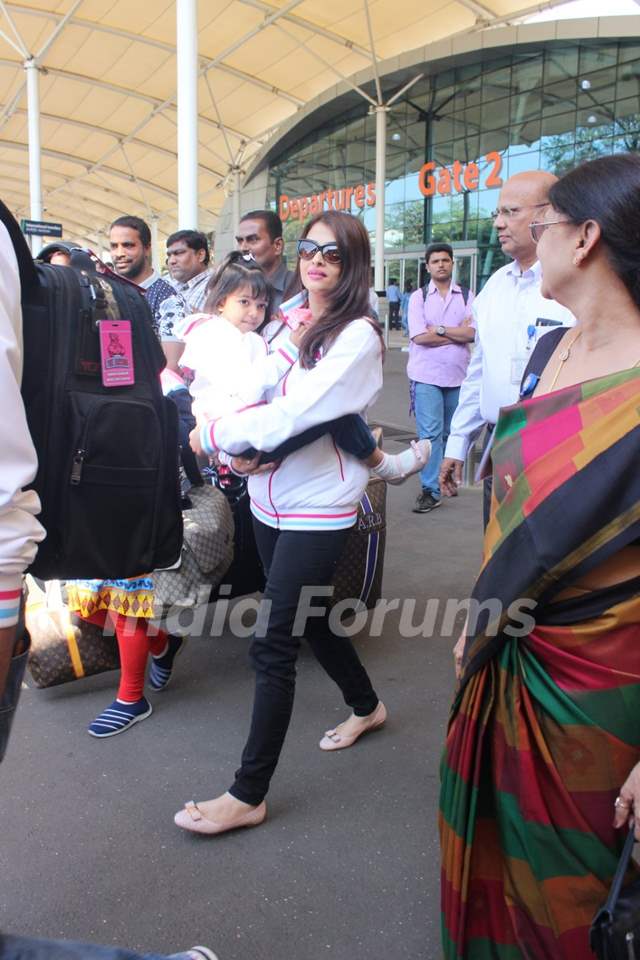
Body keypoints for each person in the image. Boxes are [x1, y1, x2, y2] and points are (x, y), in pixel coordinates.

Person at [0, 201, 217, 960]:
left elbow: (168, 380)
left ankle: (135, 692)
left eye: (131, 244)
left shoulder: (143, 304)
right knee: (124, 601)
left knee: (133, 599)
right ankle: (152, 661)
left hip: (113, 492)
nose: (120, 254)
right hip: (95, 493)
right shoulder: (117, 305)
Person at [440, 153, 640, 959]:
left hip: (600, 694)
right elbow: (517, 519)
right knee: (493, 846)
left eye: (542, 220)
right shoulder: (542, 353)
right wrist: (481, 615)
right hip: (507, 656)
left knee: (577, 889)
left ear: (586, 236)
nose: (523, 233)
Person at [175, 211, 391, 837]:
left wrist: (216, 434)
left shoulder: (358, 336)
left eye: (334, 253)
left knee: (273, 642)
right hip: (269, 495)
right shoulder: (293, 316)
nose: (317, 260)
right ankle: (368, 707)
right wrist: (239, 440)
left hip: (320, 506)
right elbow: (259, 386)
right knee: (314, 616)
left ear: (355, 265)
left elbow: (292, 413)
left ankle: (248, 793)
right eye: (309, 249)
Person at [184, 251, 429, 485]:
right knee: (331, 410)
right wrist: (288, 351)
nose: (253, 313)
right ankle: (383, 463)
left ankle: (377, 455)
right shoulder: (219, 336)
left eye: (260, 305)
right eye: (244, 302)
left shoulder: (249, 334)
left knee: (331, 409)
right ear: (220, 303)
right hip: (244, 437)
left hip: (244, 439)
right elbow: (245, 389)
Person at [438, 171, 575, 526]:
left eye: (511, 212)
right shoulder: (494, 289)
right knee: (498, 554)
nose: (499, 223)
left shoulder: (577, 284)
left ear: (548, 213)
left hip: (562, 446)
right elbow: (478, 373)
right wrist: (457, 445)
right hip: (500, 446)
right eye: (497, 213)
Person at [407, 244, 475, 514]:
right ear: (427, 266)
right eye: (435, 261)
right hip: (426, 376)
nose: (441, 265)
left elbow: (473, 334)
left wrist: (441, 330)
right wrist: (455, 334)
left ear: (452, 263)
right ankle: (430, 490)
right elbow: (419, 336)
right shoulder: (418, 297)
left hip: (458, 376)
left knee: (451, 433)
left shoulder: (467, 295)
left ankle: (445, 478)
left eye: (445, 260)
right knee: (431, 434)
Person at [109, 216, 174, 336]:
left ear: (147, 248)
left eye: (128, 245)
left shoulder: (168, 298)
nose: (119, 254)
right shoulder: (107, 293)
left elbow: (170, 354)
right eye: (114, 246)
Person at [159, 230, 211, 372]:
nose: (172, 260)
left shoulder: (216, 286)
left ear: (200, 255)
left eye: (179, 253)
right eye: (169, 255)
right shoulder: (165, 285)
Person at [235, 210, 295, 315]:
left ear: (277, 245)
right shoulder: (234, 286)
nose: (243, 248)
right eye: (240, 241)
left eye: (252, 239)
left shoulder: (297, 288)